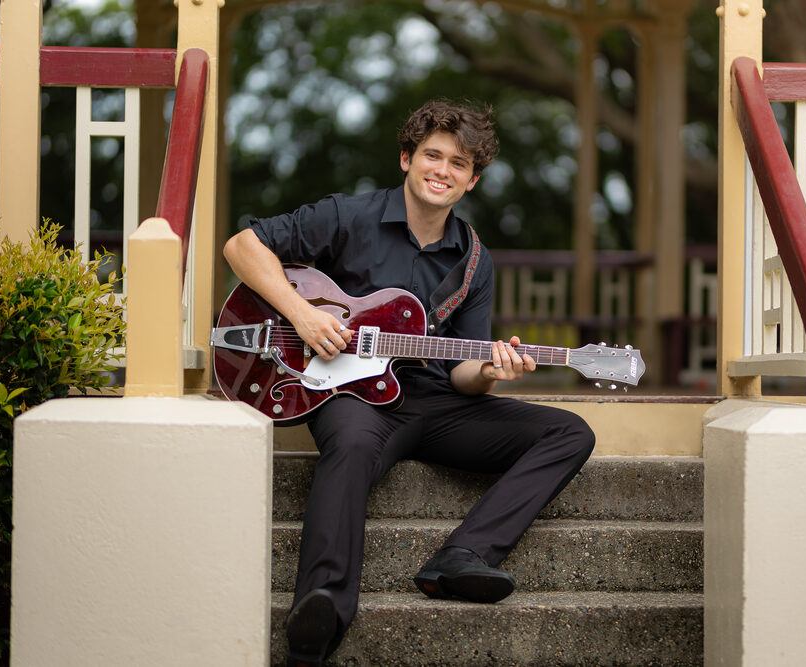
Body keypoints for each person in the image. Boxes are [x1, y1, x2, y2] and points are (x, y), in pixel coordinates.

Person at [223, 99, 595, 666]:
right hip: (354, 398)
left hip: (437, 403)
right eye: (432, 155)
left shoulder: (473, 259)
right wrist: (301, 313)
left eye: (459, 164)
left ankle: (462, 556)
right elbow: (241, 245)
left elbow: (464, 375)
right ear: (406, 158)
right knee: (347, 447)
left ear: (472, 181)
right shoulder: (348, 217)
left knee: (569, 432)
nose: (442, 170)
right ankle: (320, 612)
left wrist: (492, 370)